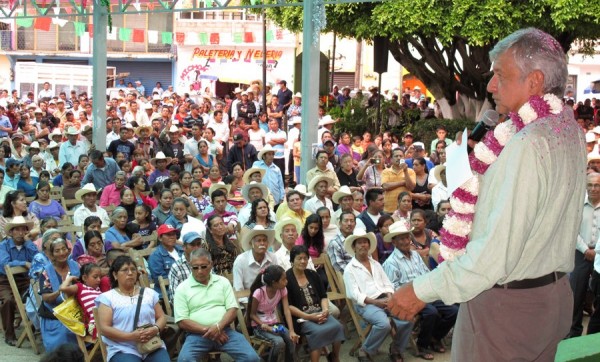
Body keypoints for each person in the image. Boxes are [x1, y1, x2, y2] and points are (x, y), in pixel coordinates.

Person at [389, 28, 586, 361]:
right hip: (549, 297)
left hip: (507, 310)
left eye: (499, 76)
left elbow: (491, 256)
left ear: (535, 81)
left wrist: (420, 291)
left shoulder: (527, 144)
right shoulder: (567, 129)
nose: (491, 86)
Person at [383, 221, 457, 359]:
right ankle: (422, 345)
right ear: (394, 242)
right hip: (410, 298)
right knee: (431, 312)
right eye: (401, 239)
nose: (406, 241)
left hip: (426, 292)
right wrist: (413, 291)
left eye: (407, 237)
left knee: (453, 311)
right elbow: (393, 288)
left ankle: (435, 337)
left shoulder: (415, 255)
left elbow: (426, 274)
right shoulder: (391, 263)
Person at [174, 248, 260, 361]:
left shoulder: (222, 282)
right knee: (184, 360)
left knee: (252, 358)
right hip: (196, 335)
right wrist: (211, 331)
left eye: (203, 266)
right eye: (195, 267)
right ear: (190, 266)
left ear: (211, 264)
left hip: (225, 332)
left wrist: (219, 327)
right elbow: (182, 321)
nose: (199, 271)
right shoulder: (182, 288)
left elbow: (232, 310)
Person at [343, 229, 412, 361]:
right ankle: (365, 350)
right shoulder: (350, 269)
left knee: (407, 318)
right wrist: (376, 303)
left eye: (365, 242)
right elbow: (354, 294)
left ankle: (396, 349)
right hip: (366, 304)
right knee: (384, 324)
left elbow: (387, 283)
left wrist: (390, 297)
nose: (363, 245)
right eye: (360, 243)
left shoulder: (375, 264)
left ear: (369, 246)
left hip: (384, 299)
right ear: (354, 247)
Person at [96, 255, 169, 362]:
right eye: (125, 270)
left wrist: (155, 329)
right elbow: (104, 328)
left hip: (151, 344)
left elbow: (161, 317)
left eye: (133, 270)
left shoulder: (149, 293)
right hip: (122, 348)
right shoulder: (108, 298)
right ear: (115, 275)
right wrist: (130, 336)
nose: (130, 273)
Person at [286, 245, 344, 362]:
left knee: (338, 326)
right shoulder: (287, 278)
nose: (303, 261)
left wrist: (325, 311)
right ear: (292, 260)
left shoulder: (313, 274)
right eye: (299, 258)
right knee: (318, 333)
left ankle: (335, 357)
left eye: (305, 258)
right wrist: (308, 316)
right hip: (301, 318)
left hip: (319, 313)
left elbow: (323, 296)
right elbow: (288, 306)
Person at [570, 172, 600, 337]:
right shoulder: (578, 206)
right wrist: (585, 250)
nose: (594, 189)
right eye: (590, 185)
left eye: (597, 185)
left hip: (599, 256)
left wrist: (597, 252)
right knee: (576, 296)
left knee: (598, 297)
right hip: (580, 255)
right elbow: (572, 231)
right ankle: (574, 333)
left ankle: (594, 337)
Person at [0, 216, 38, 346]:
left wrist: (28, 243)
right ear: (11, 232)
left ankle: (31, 329)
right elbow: (4, 264)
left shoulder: (28, 245)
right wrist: (23, 263)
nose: (20, 233)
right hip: (5, 280)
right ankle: (9, 334)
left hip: (25, 279)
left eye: (23, 230)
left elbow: (37, 259)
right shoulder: (3, 246)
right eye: (17, 230)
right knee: (8, 301)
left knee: (33, 297)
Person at [39, 238, 80, 351]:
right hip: (55, 315)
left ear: (69, 250)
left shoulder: (76, 266)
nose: (61, 253)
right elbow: (46, 298)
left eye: (63, 249)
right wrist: (60, 291)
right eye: (57, 251)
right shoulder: (46, 272)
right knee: (65, 333)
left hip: (76, 312)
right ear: (52, 255)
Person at [59, 262, 103, 338]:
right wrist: (70, 278)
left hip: (106, 320)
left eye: (100, 277)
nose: (99, 280)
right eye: (95, 277)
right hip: (95, 325)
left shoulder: (98, 289)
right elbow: (63, 288)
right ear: (85, 278)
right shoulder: (80, 287)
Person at [233, 225, 279, 292]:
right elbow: (238, 289)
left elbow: (276, 282)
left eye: (264, 240)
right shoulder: (241, 260)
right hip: (247, 299)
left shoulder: (273, 257)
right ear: (251, 244)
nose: (262, 243)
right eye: (258, 241)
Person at [148, 224, 184, 298]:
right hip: (167, 291)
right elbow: (160, 279)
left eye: (174, 234)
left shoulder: (182, 250)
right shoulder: (155, 256)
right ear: (160, 238)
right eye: (168, 235)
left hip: (186, 287)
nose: (172, 237)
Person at [167, 231, 203, 304]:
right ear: (184, 247)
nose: (196, 248)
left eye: (198, 244)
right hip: (188, 306)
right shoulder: (177, 267)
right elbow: (174, 298)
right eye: (192, 245)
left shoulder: (206, 263)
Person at [381, 148, 416, 214]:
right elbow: (385, 186)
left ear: (404, 158)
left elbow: (411, 187)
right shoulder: (386, 172)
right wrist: (403, 182)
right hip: (389, 209)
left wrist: (405, 171)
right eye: (396, 156)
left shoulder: (410, 171)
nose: (399, 158)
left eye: (401, 156)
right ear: (391, 159)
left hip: (406, 210)